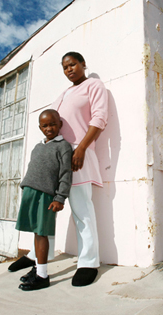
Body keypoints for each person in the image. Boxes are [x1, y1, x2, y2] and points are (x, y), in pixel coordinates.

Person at [8, 51, 108, 287]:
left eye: (72, 64)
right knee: (46, 209)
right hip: (56, 155)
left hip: (78, 155)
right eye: (65, 67)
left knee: (82, 210)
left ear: (83, 64)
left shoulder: (94, 85)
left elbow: (100, 118)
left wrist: (82, 147)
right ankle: (37, 256)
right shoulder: (63, 93)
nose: (69, 70)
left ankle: (88, 262)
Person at [15, 109, 73, 291]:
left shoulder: (63, 146)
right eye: (45, 125)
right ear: (40, 128)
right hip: (30, 193)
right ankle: (38, 268)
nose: (49, 128)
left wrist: (60, 198)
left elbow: (65, 174)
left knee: (42, 233)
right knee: (35, 233)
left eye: (53, 124)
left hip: (46, 196)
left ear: (60, 124)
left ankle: (42, 276)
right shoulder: (37, 146)